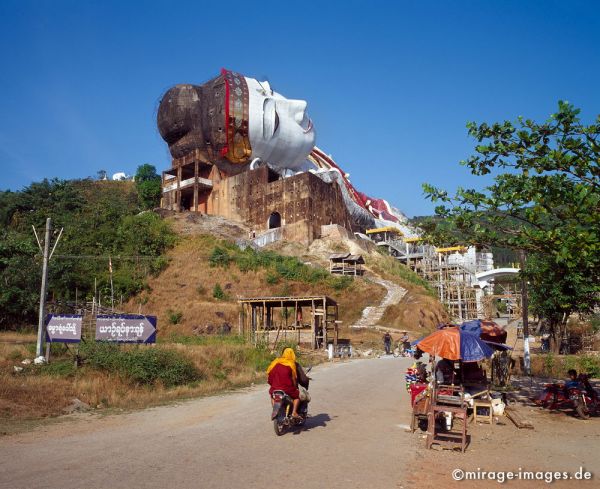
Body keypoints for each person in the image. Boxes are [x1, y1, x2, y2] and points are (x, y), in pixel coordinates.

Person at [266, 347, 305, 419]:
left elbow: (270, 375)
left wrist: (272, 384)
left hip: (275, 388)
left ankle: (275, 409)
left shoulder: (276, 362)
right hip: (287, 388)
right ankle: (294, 412)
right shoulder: (291, 364)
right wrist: (295, 386)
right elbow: (294, 378)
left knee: (272, 395)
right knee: (297, 397)